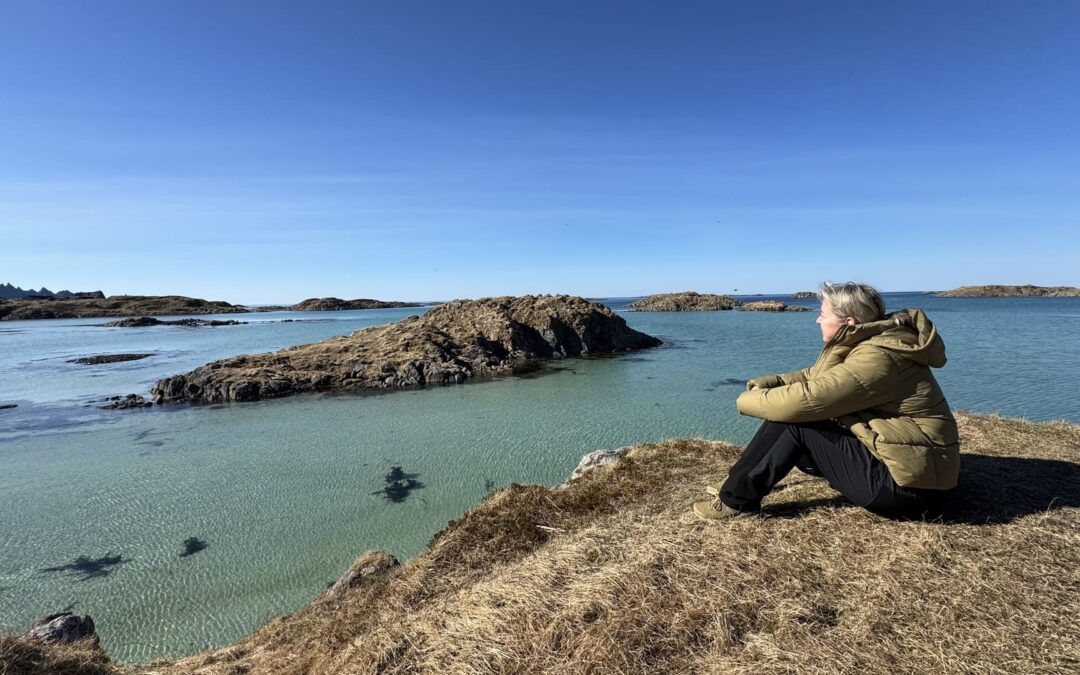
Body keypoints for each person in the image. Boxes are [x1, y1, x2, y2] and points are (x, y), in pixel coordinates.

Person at [693, 282, 959, 520]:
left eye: (823, 315)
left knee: (795, 421)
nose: (817, 321)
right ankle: (738, 481)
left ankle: (736, 502)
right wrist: (771, 382)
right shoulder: (869, 343)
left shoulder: (879, 358)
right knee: (800, 420)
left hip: (911, 492)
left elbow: (803, 401)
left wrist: (746, 400)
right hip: (913, 471)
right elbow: (817, 376)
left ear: (849, 322)